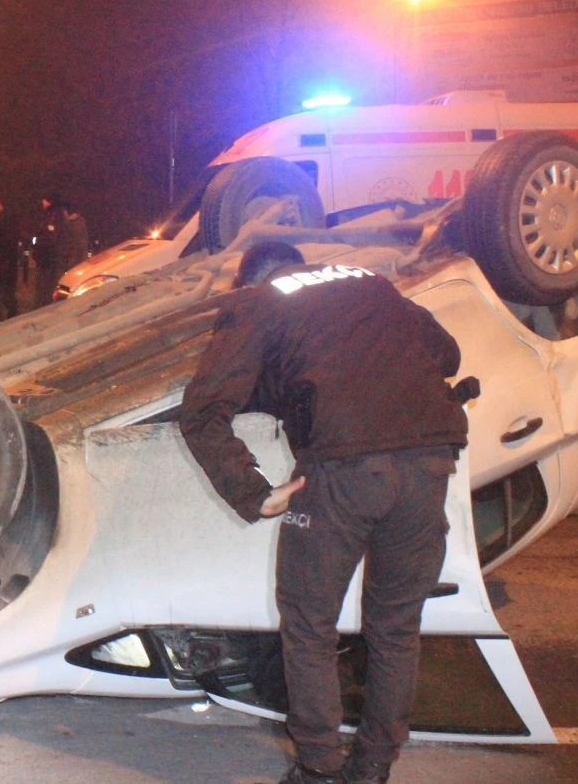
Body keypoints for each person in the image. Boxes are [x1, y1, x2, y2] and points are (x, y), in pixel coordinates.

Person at [180, 242, 470, 784]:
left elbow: (201, 410)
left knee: (310, 626)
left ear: (251, 280)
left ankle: (318, 767)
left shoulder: (260, 301)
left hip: (341, 474)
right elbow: (446, 354)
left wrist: (252, 492)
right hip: (428, 466)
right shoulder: (370, 284)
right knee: (395, 627)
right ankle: (373, 766)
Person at [31, 194, 64, 306]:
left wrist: (39, 248)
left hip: (49, 260)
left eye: (44, 200)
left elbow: (50, 238)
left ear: (49, 201)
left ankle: (44, 307)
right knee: (42, 287)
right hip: (44, 259)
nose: (42, 202)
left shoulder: (56, 216)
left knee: (47, 287)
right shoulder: (47, 216)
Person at [58, 199, 91, 272]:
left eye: (63, 211)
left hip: (75, 264)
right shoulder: (76, 223)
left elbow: (77, 246)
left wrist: (69, 261)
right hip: (77, 262)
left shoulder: (74, 225)